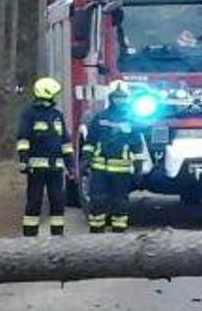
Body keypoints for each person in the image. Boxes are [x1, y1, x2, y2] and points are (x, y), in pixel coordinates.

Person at [82, 81, 146, 233]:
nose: (120, 100)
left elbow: (137, 146)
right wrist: (86, 158)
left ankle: (118, 235)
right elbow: (90, 141)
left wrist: (138, 169)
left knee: (120, 203)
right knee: (97, 201)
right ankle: (96, 233)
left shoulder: (132, 121)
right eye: (117, 97)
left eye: (123, 97)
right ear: (110, 97)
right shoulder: (100, 118)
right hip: (99, 170)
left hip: (121, 171)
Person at [16, 77, 75, 237]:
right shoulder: (29, 113)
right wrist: (23, 160)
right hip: (36, 168)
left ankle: (57, 238)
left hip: (56, 168)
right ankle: (29, 238)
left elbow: (65, 142)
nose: (55, 97)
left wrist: (71, 166)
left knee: (58, 202)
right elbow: (23, 138)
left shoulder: (57, 115)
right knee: (34, 202)